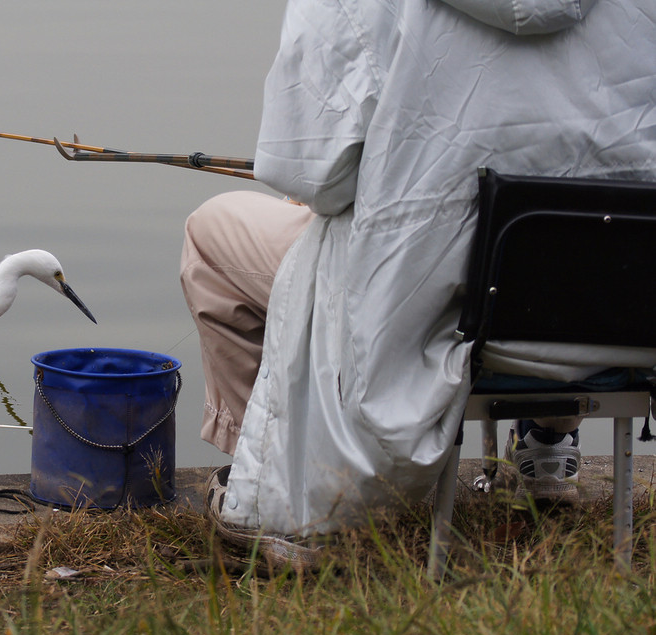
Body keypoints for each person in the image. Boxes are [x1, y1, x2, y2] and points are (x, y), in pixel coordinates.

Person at [181, 0, 656, 558]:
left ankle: (267, 486)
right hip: (613, 323)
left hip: (425, 318)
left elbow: (311, 174)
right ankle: (548, 436)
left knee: (210, 234)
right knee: (570, 216)